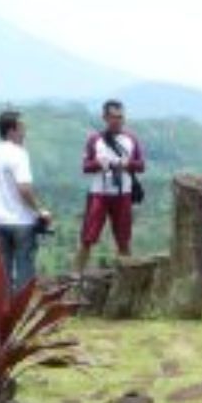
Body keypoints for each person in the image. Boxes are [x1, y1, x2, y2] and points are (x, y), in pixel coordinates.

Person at [0, 110, 53, 290]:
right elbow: (24, 188)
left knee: (2, 269)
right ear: (11, 130)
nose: (24, 133)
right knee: (24, 264)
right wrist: (40, 211)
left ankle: (3, 310)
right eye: (21, 128)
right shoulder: (18, 153)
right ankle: (21, 308)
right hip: (21, 220)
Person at [76, 99, 146, 275]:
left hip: (123, 193)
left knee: (124, 239)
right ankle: (76, 277)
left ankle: (127, 278)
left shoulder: (131, 139)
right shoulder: (95, 139)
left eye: (121, 117)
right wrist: (100, 164)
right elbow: (85, 166)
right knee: (87, 238)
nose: (118, 121)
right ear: (105, 117)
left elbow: (141, 165)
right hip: (99, 193)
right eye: (113, 117)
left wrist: (127, 164)